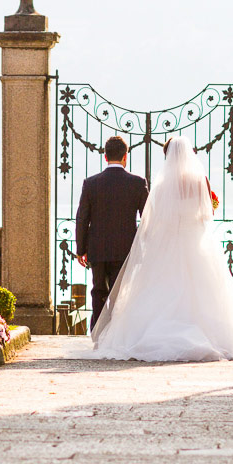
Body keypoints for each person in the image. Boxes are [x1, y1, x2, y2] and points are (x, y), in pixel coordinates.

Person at [82, 136, 233, 361]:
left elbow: (152, 220)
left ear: (167, 157)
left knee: (162, 288)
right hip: (195, 245)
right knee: (202, 290)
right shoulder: (200, 181)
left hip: (169, 245)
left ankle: (111, 332)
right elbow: (207, 214)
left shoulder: (162, 186)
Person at [75, 136, 149, 331]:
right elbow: (148, 217)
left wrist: (80, 249)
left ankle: (97, 334)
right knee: (121, 293)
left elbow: (82, 218)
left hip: (97, 248)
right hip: (125, 250)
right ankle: (118, 333)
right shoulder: (137, 183)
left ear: (105, 157)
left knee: (98, 291)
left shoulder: (90, 183)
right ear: (126, 156)